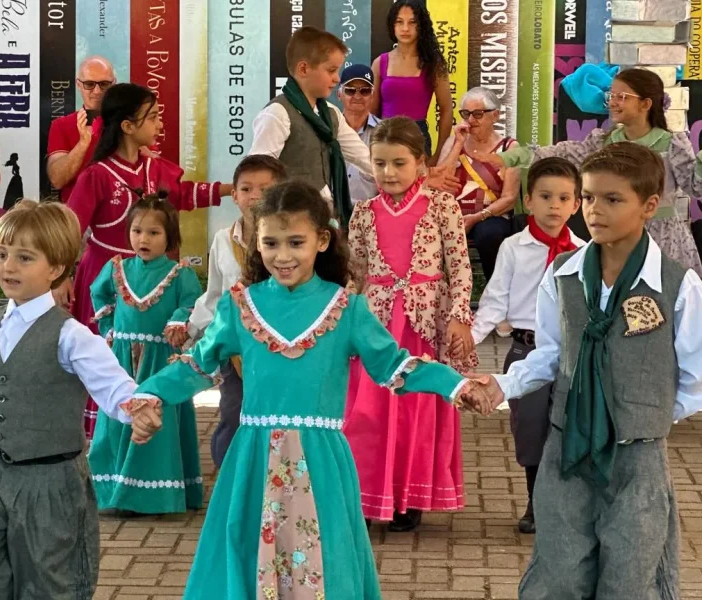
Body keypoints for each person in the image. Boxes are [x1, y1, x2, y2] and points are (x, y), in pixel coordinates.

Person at [127, 179, 481, 599]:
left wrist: (454, 384)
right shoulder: (241, 306)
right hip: (253, 458)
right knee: (247, 548)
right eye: (271, 243)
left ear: (322, 241)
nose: (283, 255)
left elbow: (394, 365)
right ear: (257, 243)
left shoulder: (346, 307)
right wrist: (151, 394)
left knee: (327, 556)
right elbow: (197, 364)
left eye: (296, 242)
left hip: (321, 459)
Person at [467, 142, 702, 599]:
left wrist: (643, 413)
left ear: (649, 205)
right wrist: (502, 385)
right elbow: (551, 356)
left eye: (613, 199)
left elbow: (695, 376)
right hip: (567, 449)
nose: (595, 210)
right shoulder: (563, 274)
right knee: (559, 573)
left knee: (631, 577)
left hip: (637, 458)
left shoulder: (677, 284)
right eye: (590, 197)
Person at [0, 200, 161, 600]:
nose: (9, 266)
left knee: (50, 582)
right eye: (3, 254)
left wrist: (136, 408)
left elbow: (112, 384)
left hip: (51, 483)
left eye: (25, 258)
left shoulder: (71, 335)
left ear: (55, 269)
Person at [63, 82, 231, 439]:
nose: (159, 124)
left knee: (154, 355)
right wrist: (61, 275)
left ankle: (151, 432)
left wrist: (234, 189)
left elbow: (182, 194)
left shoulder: (155, 169)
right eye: (152, 117)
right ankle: (105, 437)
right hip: (106, 278)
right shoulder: (98, 175)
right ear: (127, 125)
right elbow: (70, 228)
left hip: (155, 280)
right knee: (105, 358)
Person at [345, 117, 477, 532]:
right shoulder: (363, 213)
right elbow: (354, 275)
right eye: (380, 163)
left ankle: (408, 497)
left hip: (424, 325)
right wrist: (341, 323)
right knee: (368, 411)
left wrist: (459, 317)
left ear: (421, 162)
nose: (388, 172)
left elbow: (460, 267)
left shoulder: (442, 207)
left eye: (399, 163)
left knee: (415, 410)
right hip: (376, 327)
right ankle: (368, 495)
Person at [483, 67, 702, 277]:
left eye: (622, 97)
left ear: (646, 104)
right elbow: (563, 153)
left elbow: (695, 187)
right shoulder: (604, 143)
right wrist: (510, 157)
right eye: (611, 96)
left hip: (664, 239)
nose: (613, 103)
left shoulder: (672, 143)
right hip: (616, 235)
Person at [470, 157, 585, 534]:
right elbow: (494, 302)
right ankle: (535, 502)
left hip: (570, 355)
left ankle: (561, 506)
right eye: (545, 196)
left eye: (564, 198)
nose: (554, 206)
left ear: (577, 204)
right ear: (529, 201)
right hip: (525, 350)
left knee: (567, 429)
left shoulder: (584, 252)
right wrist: (467, 342)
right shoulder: (513, 248)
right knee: (531, 429)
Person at [88, 195, 204, 514]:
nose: (144, 239)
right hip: (123, 361)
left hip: (159, 363)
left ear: (170, 237)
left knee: (157, 426)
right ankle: (115, 491)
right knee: (117, 422)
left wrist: (179, 320)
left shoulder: (180, 274)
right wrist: (109, 329)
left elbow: (192, 303)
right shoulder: (118, 268)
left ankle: (154, 495)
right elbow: (98, 293)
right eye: (137, 231)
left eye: (154, 232)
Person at [188, 154, 287, 470]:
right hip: (237, 352)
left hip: (283, 348)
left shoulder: (289, 243)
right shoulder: (222, 239)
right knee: (233, 413)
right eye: (246, 188)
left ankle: (273, 482)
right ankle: (229, 480)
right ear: (234, 194)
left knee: (278, 419)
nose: (254, 196)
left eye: (264, 189)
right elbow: (215, 294)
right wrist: (191, 330)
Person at [248, 26, 374, 228]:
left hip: (324, 219)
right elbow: (257, 176)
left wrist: (406, 177)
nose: (337, 78)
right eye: (331, 70)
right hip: (289, 223)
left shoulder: (331, 113)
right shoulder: (278, 113)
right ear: (304, 69)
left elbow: (364, 157)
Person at [437, 86, 520, 281]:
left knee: (489, 235)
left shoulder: (509, 148)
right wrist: (458, 144)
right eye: (466, 114)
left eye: (478, 114)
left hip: (490, 215)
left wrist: (476, 217)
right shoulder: (454, 142)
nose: (471, 120)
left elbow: (510, 198)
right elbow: (438, 183)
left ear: (495, 116)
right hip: (453, 213)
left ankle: (495, 289)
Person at [369, 0, 453, 159]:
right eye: (399, 22)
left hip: (418, 140)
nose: (405, 28)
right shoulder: (380, 62)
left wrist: (439, 154)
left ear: (421, 26)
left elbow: (446, 109)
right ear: (392, 26)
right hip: (384, 138)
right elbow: (371, 112)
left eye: (412, 22)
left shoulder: (433, 64)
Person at [46, 55, 115, 203]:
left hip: (122, 212)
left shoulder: (128, 123)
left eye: (104, 84)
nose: (97, 91)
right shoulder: (61, 125)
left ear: (113, 84)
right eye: (89, 84)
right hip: (76, 213)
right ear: (78, 85)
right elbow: (57, 180)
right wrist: (83, 144)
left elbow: (151, 170)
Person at [339, 63, 381, 207]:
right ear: (339, 94)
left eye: (365, 91)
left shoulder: (385, 133)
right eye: (350, 90)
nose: (357, 96)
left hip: (372, 213)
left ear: (372, 95)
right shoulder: (326, 130)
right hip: (331, 213)